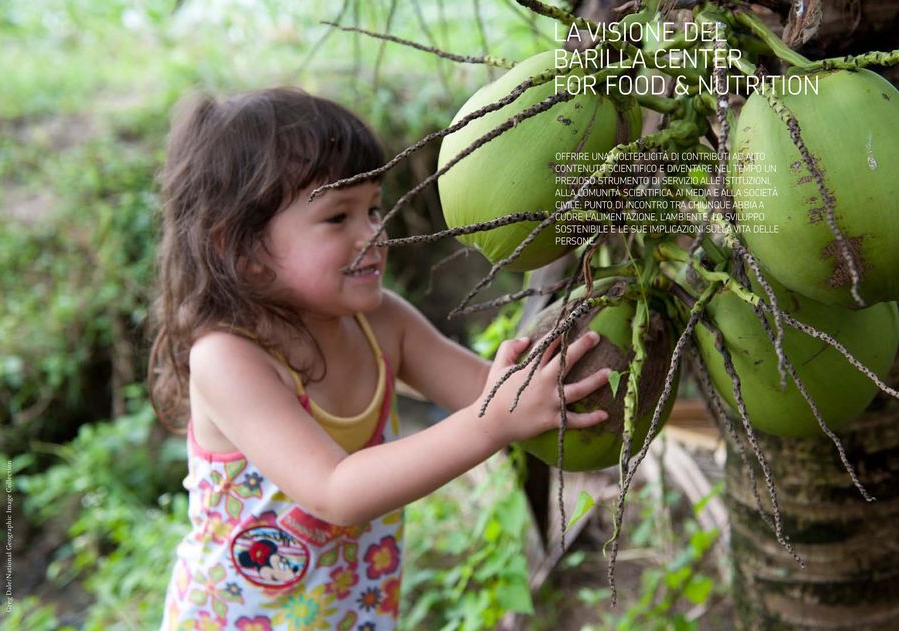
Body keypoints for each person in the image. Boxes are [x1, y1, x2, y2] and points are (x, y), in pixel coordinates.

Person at [149, 87, 611, 630]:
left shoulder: (382, 322)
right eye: (337, 217)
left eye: (372, 209)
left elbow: (491, 392)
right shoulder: (229, 359)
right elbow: (334, 491)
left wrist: (561, 387)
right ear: (243, 249)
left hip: (355, 614)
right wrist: (494, 422)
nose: (374, 234)